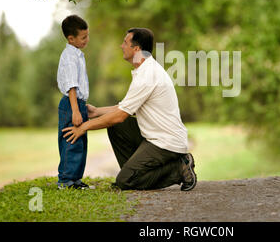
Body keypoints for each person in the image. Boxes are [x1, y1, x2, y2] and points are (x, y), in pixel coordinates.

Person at [62, 28, 197, 191]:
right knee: (118, 128)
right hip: (155, 138)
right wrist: (96, 111)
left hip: (166, 143)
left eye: (125, 42)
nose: (121, 46)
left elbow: (119, 116)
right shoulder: (145, 70)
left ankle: (178, 169)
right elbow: (124, 107)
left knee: (125, 181)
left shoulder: (148, 75)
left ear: (136, 49)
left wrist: (84, 127)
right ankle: (133, 173)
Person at [56, 15, 93, 190]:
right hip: (72, 104)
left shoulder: (77, 54)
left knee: (80, 141)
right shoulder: (70, 56)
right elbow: (72, 85)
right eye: (83, 37)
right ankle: (65, 180)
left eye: (87, 36)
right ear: (71, 39)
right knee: (71, 141)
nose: (87, 40)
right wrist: (76, 111)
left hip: (78, 104)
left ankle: (75, 179)